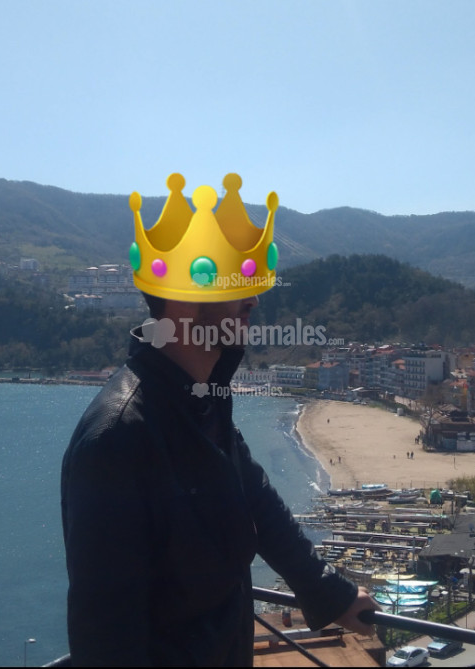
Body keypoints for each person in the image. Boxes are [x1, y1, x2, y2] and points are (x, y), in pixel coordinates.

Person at [61, 173, 379, 666]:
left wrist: (325, 590)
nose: (254, 302)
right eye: (236, 287)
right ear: (186, 301)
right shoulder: (116, 440)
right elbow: (105, 634)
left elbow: (256, 498)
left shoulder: (202, 400)